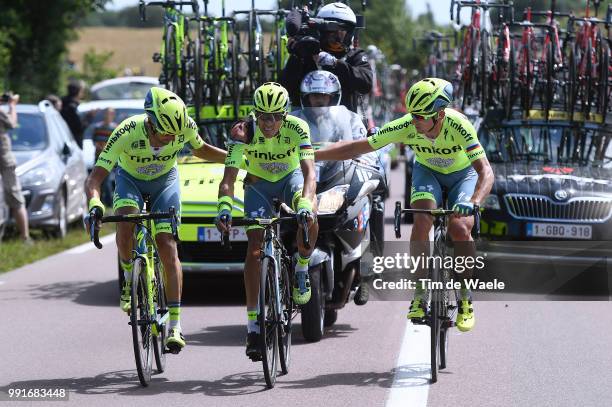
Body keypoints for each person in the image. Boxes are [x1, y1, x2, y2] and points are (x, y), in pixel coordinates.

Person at [315, 78, 495, 332]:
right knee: (422, 218)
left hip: (463, 175)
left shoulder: (459, 125)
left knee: (460, 228)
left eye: (421, 116)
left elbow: (486, 171)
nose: (415, 121)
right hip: (428, 172)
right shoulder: (408, 125)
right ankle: (420, 293)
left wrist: (475, 201)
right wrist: (311, 152)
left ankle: (465, 297)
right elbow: (356, 147)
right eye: (412, 114)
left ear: (440, 114)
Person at [85, 87, 228, 353]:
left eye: (175, 135)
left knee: (167, 244)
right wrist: (95, 203)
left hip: (165, 182)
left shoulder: (183, 126)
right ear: (150, 121)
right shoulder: (127, 131)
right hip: (131, 182)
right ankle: (129, 276)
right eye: (165, 133)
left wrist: (236, 160)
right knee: (126, 223)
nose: (170, 139)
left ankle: (175, 324)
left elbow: (202, 150)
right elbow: (95, 179)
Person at [216, 82, 318, 361]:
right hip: (258, 185)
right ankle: (252, 326)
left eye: (275, 117)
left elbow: (310, 174)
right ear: (255, 114)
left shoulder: (298, 127)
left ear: (285, 115)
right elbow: (228, 179)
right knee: (254, 249)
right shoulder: (243, 133)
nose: (269, 123)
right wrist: (224, 207)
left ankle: (301, 268)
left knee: (310, 214)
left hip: (290, 180)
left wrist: (306, 204)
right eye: (263, 116)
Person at [280, 2, 372, 114]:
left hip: (344, 125)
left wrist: (335, 63)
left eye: (342, 31)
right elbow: (285, 87)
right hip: (305, 125)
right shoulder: (308, 52)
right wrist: (297, 55)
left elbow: (366, 83)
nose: (337, 37)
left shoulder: (354, 55)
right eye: (331, 32)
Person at [0, 92, 32, 244]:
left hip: (5, 160)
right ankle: (25, 237)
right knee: (15, 197)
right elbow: (12, 123)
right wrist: (12, 105)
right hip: (4, 160)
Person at [92, 108, 117, 207]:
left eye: (110, 114)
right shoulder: (98, 127)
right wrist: (98, 146)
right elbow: (94, 139)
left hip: (109, 158)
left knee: (107, 180)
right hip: (98, 156)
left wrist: (106, 147)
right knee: (100, 179)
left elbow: (115, 142)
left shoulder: (115, 128)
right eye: (106, 114)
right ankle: (102, 200)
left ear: (113, 115)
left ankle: (109, 201)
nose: (107, 116)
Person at [61, 80, 86, 148]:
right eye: (82, 90)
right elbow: (79, 128)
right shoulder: (73, 107)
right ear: (79, 91)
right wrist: (89, 117)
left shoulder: (61, 103)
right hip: (73, 143)